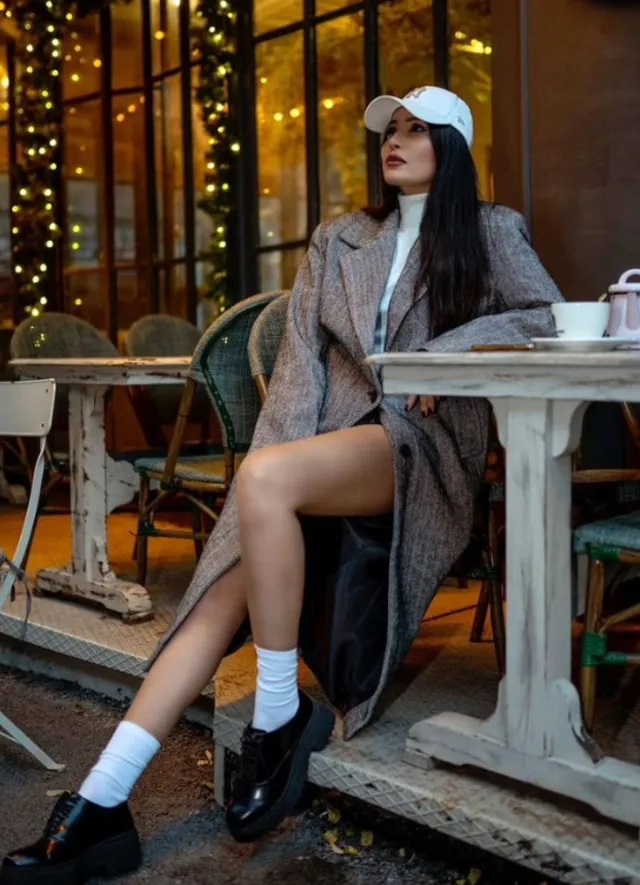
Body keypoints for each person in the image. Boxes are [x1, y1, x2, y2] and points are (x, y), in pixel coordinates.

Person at [1, 85, 563, 884]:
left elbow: (543, 315)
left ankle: (277, 712)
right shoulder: (340, 238)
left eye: (416, 129)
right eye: (389, 129)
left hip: (418, 446)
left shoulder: (490, 229)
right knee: (215, 590)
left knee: (264, 485)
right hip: (317, 449)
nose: (394, 140)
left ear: (453, 146)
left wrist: (446, 354)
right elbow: (300, 370)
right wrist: (267, 474)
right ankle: (101, 802)